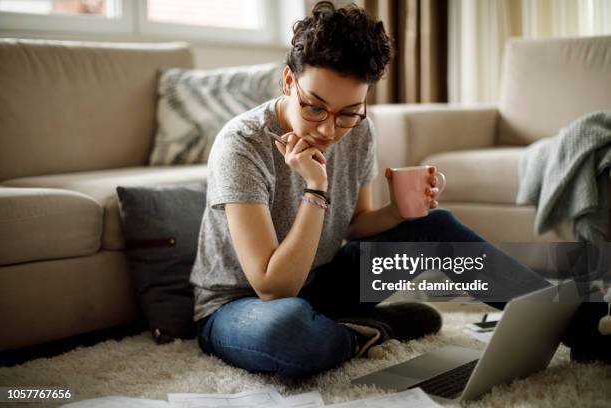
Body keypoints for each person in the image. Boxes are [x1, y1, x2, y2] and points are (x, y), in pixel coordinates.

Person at [190, 1, 550, 378]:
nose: (329, 130)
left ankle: (576, 321)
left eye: (348, 112)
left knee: (435, 226)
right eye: (315, 108)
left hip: (322, 284)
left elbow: (355, 224)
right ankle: (373, 329)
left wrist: (399, 210)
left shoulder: (360, 129)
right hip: (239, 306)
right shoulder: (242, 144)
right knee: (288, 331)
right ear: (288, 82)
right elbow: (272, 287)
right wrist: (316, 189)